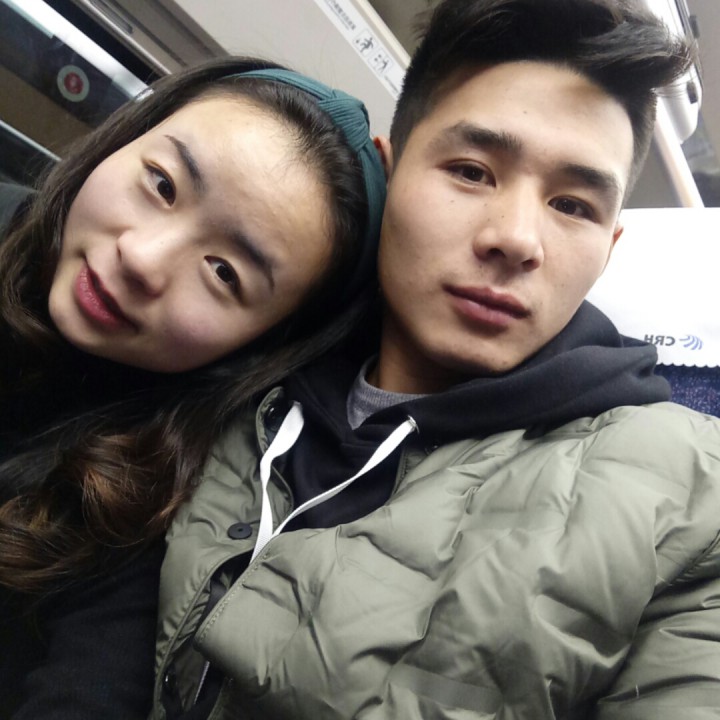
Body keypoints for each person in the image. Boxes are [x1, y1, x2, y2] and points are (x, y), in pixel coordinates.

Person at [152, 1, 720, 718]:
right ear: (389, 176)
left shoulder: (694, 501)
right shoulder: (235, 369)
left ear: (607, 250)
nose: (516, 239)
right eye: (472, 171)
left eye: (573, 206)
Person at [0, 56, 386, 718]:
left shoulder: (139, 511)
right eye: (162, 184)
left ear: (260, 345)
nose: (141, 259)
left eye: (224, 273)